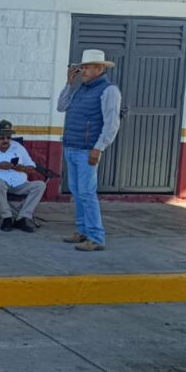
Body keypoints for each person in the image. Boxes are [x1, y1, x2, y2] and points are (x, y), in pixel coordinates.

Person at [57, 49, 122, 251]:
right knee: (78, 192)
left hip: (87, 150)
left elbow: (112, 123)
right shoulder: (80, 89)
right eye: (82, 67)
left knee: (86, 193)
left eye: (86, 67)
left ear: (99, 68)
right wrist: (69, 84)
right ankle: (83, 231)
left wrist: (98, 148)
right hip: (72, 146)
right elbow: (61, 106)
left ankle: (96, 237)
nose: (82, 71)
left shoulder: (109, 90)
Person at [0, 120, 45, 233]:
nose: (6, 140)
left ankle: (21, 218)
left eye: (8, 137)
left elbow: (31, 168)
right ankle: (7, 218)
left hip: (19, 183)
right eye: (2, 137)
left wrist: (21, 168)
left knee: (40, 185)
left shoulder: (18, 147)